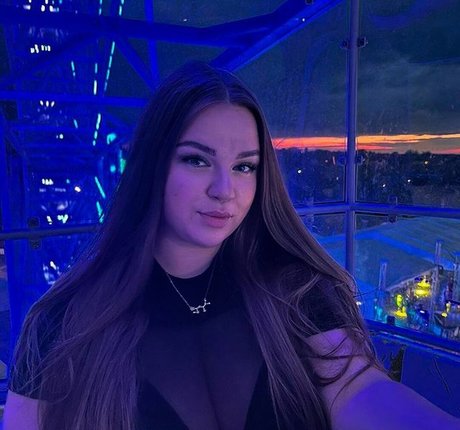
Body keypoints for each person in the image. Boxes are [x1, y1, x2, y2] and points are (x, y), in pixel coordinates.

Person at [4, 61, 460, 430]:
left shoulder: (294, 287)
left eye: (244, 167)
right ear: (152, 165)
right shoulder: (64, 323)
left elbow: (358, 390)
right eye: (197, 160)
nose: (225, 190)